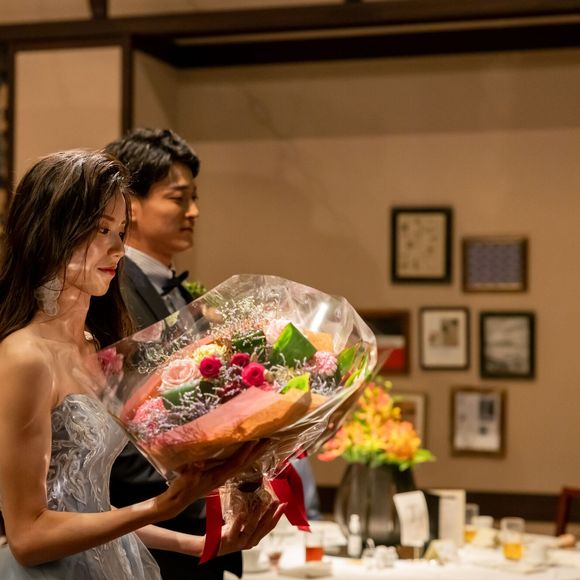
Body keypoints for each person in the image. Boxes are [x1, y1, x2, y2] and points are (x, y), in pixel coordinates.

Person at [0, 150, 283, 580]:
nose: (118, 248)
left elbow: (90, 507)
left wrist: (202, 544)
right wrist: (163, 504)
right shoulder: (24, 357)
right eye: (102, 230)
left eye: (121, 231)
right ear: (50, 230)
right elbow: (28, 535)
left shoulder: (93, 345)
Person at [105, 128, 320, 579]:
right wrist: (202, 496)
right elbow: (115, 429)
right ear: (131, 205)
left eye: (194, 198)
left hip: (195, 530)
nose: (193, 211)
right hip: (153, 536)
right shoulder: (113, 292)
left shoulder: (181, 295)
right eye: (178, 198)